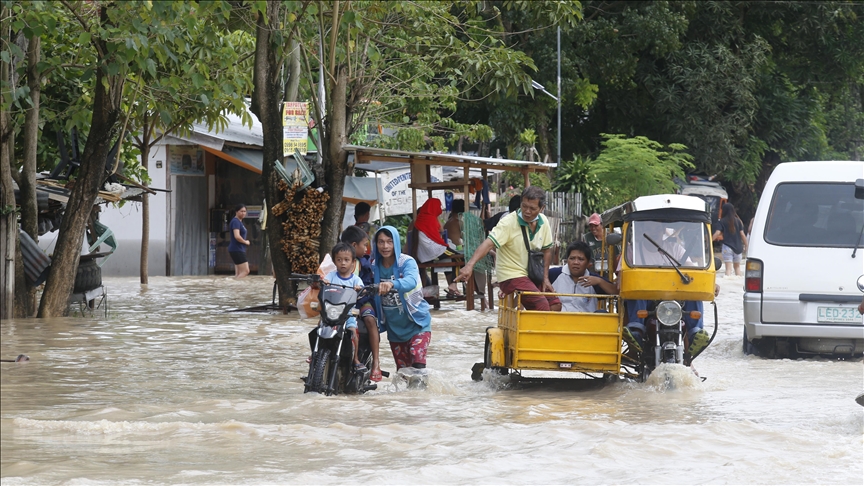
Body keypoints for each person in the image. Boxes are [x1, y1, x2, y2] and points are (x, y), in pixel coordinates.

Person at [456, 186, 562, 311]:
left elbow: (547, 251)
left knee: (555, 304)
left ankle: (531, 328)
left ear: (542, 208)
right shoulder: (508, 222)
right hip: (510, 275)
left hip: (532, 274)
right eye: (524, 206)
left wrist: (545, 278)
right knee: (541, 304)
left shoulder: (543, 221)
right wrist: (470, 265)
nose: (527, 211)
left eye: (532, 208)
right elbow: (488, 244)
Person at [620, 220, 710, 357]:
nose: (654, 231)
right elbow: (622, 279)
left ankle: (695, 333)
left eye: (657, 228)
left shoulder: (676, 249)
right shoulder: (632, 251)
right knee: (636, 289)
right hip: (647, 302)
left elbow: (693, 273)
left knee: (694, 291)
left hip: (675, 300)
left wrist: (711, 283)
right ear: (642, 230)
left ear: (663, 230)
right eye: (649, 228)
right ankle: (636, 331)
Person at [372, 226, 433, 372]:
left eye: (389, 242)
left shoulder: (406, 262)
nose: (385, 246)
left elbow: (411, 281)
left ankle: (421, 395)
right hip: (394, 330)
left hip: (417, 323)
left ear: (396, 243)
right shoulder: (374, 266)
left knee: (418, 364)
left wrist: (392, 283)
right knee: (403, 372)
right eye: (381, 242)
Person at [340, 226, 382, 381]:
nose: (366, 248)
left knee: (370, 320)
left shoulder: (365, 262)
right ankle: (316, 356)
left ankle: (376, 362)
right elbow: (325, 273)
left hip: (362, 300)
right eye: (364, 245)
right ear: (353, 245)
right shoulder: (336, 261)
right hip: (340, 301)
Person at [321, 242, 367, 371]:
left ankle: (356, 358)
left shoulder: (355, 280)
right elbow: (324, 283)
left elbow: (363, 291)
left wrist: (360, 289)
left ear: (353, 262)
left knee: (353, 331)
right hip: (330, 312)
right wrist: (323, 282)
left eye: (346, 260)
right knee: (319, 327)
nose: (343, 263)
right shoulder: (331, 276)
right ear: (335, 261)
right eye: (339, 260)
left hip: (347, 314)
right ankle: (315, 354)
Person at [552, 241, 617, 312]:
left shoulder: (594, 279)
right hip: (558, 321)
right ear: (567, 260)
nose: (576, 262)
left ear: (588, 263)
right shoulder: (555, 274)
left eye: (581, 259)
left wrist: (600, 281)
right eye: (572, 258)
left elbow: (615, 291)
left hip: (587, 321)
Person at [712, 203, 748, 276]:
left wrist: (709, 242)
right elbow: (742, 234)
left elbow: (717, 233)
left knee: (728, 269)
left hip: (727, 247)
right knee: (737, 268)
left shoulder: (721, 221)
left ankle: (728, 280)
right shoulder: (738, 221)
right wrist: (746, 245)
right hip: (738, 248)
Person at [228, 204, 251, 278]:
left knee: (238, 274)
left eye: (245, 211)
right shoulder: (236, 222)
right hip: (237, 249)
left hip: (237, 249)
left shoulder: (239, 222)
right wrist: (245, 242)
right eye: (241, 211)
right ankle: (236, 286)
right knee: (246, 271)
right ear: (236, 212)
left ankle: (236, 287)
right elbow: (237, 236)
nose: (243, 213)